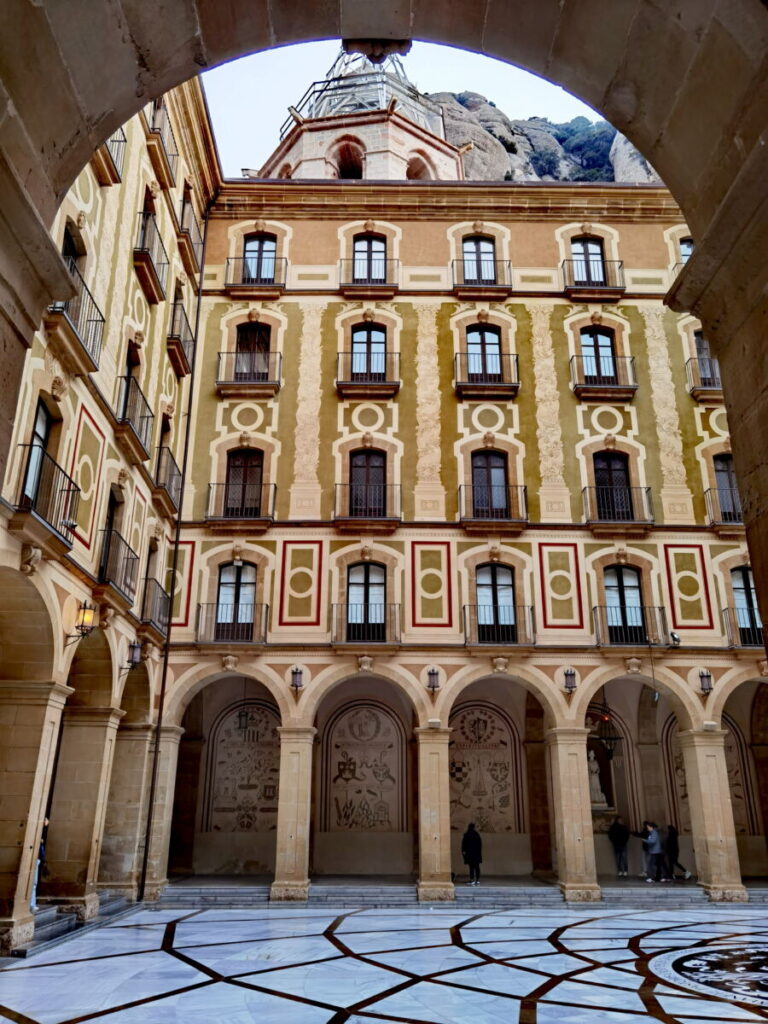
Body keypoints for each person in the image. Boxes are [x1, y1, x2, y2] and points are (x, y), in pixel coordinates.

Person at [29, 817, 48, 912]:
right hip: (34, 857)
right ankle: (31, 904)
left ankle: (32, 903)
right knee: (32, 883)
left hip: (37, 858)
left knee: (34, 883)